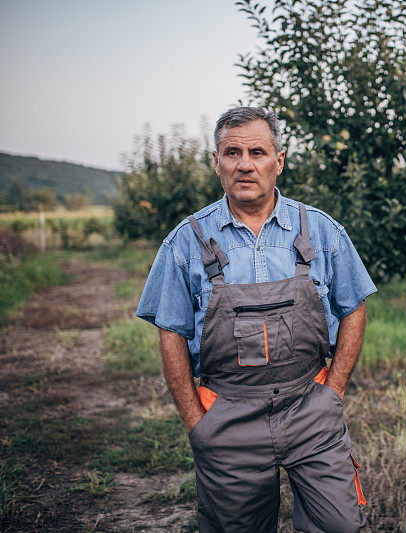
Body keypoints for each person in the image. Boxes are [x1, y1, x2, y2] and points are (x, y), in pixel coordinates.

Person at [135, 106, 376, 532]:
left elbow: (354, 307)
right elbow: (170, 333)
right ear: (216, 162)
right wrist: (198, 423)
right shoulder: (185, 242)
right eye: (232, 152)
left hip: (310, 409)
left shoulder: (321, 232)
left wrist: (332, 393)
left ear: (278, 161)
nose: (245, 164)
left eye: (258, 152)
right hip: (226, 418)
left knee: (340, 525)